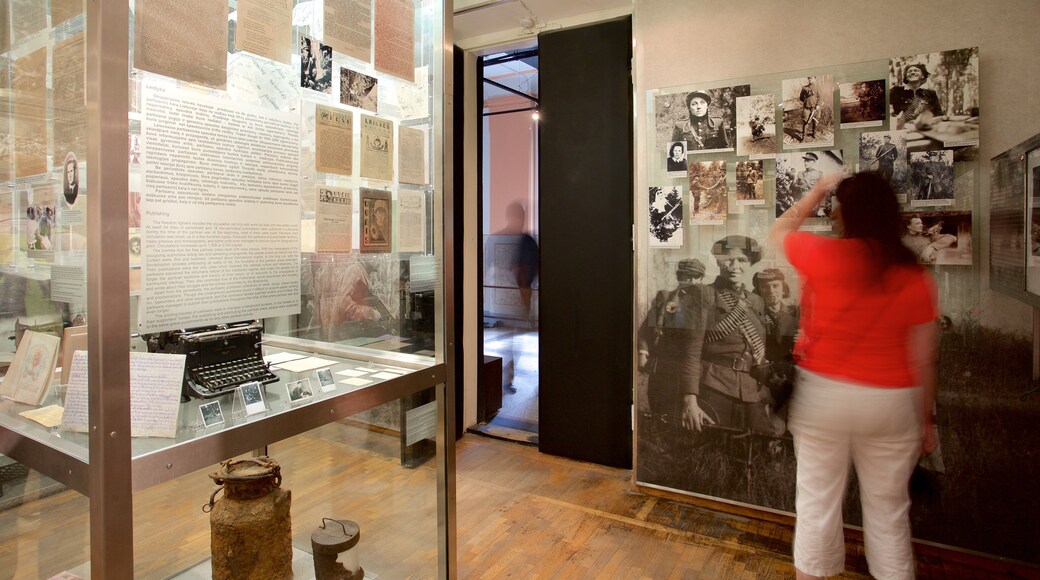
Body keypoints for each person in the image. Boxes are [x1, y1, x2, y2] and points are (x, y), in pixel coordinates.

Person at [768, 171, 939, 580]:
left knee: (816, 505)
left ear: (846, 213)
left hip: (824, 397)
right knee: (888, 514)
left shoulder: (823, 255)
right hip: (891, 402)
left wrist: (818, 190)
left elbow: (779, 228)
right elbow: (924, 359)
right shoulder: (912, 275)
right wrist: (927, 421)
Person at [678, 235, 785, 437]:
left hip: (750, 389)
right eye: (728, 259)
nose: (734, 266)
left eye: (742, 260)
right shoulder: (703, 293)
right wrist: (689, 400)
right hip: (713, 385)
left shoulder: (756, 301)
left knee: (757, 451)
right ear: (718, 262)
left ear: (750, 264)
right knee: (712, 453)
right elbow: (691, 352)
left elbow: (757, 354)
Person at [639, 258, 709, 421]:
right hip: (664, 368)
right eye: (687, 276)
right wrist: (643, 352)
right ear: (679, 277)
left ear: (701, 279)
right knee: (662, 415)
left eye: (696, 277)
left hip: (692, 371)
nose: (691, 281)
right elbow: (645, 330)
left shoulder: (706, 303)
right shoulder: (666, 298)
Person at [498, 202, 539, 393]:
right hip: (511, 297)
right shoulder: (505, 239)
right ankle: (505, 378)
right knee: (509, 340)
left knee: (514, 340)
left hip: (518, 296)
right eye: (518, 216)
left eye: (522, 216)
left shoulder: (526, 241)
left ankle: (507, 377)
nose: (521, 220)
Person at [752, 268, 799, 367]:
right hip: (763, 369)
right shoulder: (753, 316)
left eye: (775, 286)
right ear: (759, 291)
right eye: (765, 287)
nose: (771, 291)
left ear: (783, 289)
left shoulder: (795, 315)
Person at [890, 63, 944, 130]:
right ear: (906, 77)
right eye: (909, 71)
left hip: (924, 131)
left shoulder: (930, 93)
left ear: (923, 76)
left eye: (916, 70)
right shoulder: (896, 90)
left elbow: (938, 114)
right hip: (902, 130)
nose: (912, 72)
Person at [799, 76, 821, 141]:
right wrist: (806, 101)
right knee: (805, 122)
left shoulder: (818, 87)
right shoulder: (804, 88)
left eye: (811, 78)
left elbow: (820, 97)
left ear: (815, 79)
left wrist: (818, 105)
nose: (810, 79)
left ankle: (814, 134)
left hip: (815, 108)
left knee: (815, 122)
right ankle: (803, 137)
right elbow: (801, 98)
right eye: (809, 78)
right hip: (807, 108)